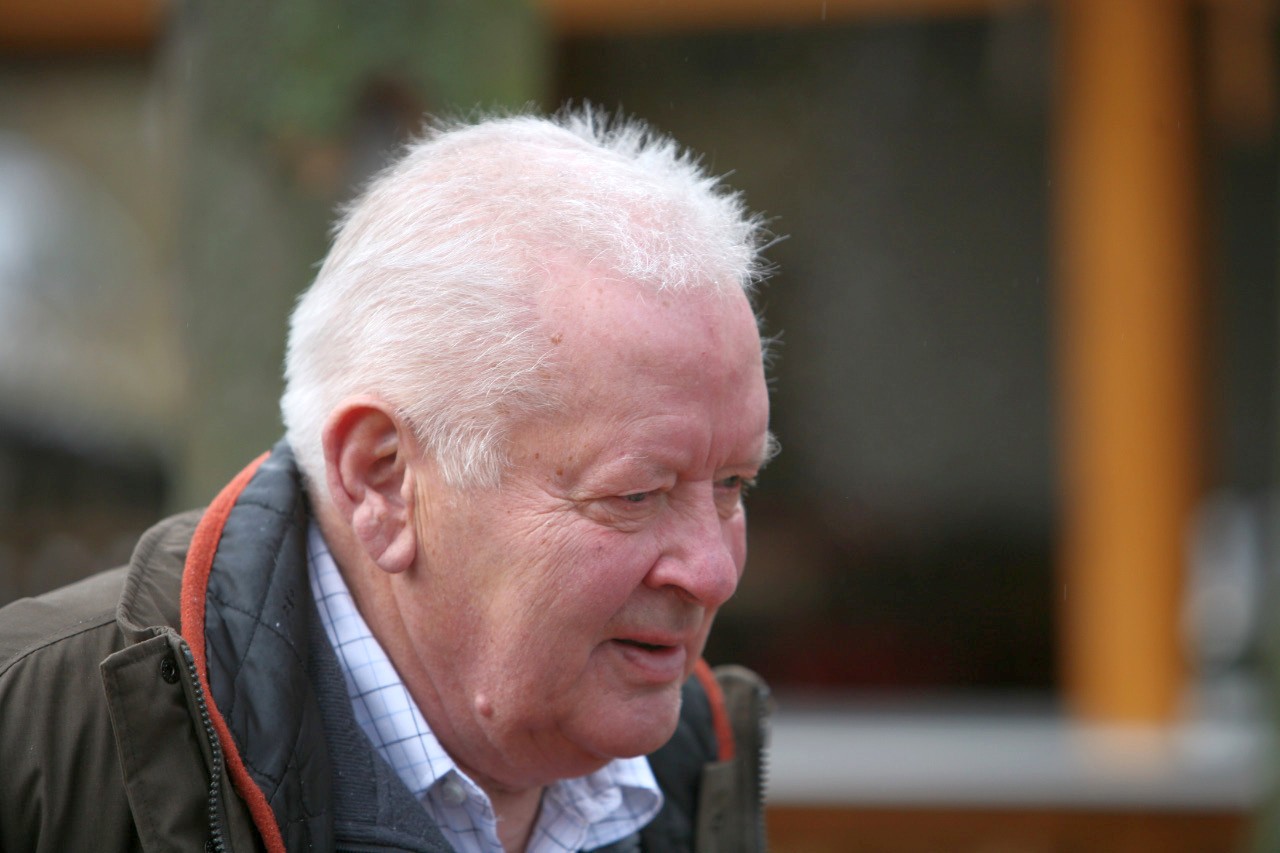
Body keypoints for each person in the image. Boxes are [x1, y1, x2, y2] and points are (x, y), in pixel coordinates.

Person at [0, 109, 775, 853]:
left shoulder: (695, 768)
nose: (713, 572)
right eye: (635, 495)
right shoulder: (38, 737)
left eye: (732, 485)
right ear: (383, 479)